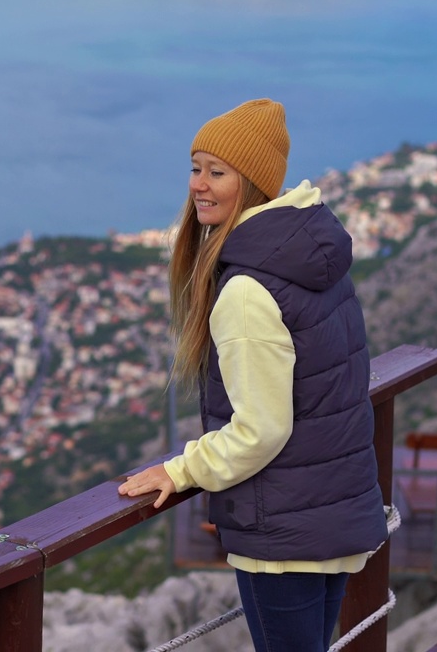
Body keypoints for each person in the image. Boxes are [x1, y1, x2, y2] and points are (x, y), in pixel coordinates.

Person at [117, 98, 387, 652]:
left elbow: (262, 429)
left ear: (256, 184)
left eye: (218, 172)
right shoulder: (310, 254)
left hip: (284, 532)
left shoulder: (246, 291)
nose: (199, 185)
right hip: (330, 514)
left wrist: (185, 468)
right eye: (196, 167)